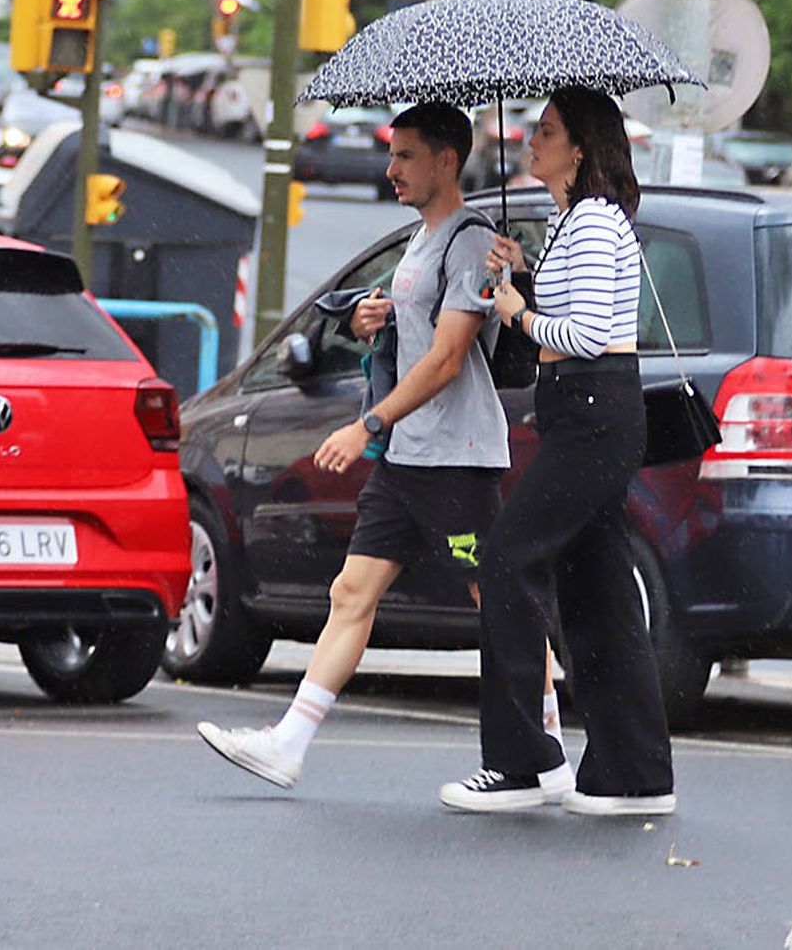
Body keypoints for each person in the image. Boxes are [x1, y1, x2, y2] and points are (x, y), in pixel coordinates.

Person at [196, 102, 565, 791]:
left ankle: (549, 756)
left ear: (446, 161)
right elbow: (427, 328)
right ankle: (289, 742)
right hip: (407, 458)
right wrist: (381, 314)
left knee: (502, 600)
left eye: (406, 156)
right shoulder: (423, 240)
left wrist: (366, 424)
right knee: (351, 590)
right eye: (392, 154)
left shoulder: (472, 241)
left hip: (457, 457)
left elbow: (452, 356)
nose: (390, 168)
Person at [440, 85, 675, 816]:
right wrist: (522, 277)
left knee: (507, 555)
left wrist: (518, 310)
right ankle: (633, 774)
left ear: (580, 147)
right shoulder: (572, 219)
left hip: (597, 412)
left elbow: (590, 333)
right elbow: (565, 317)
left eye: (545, 131)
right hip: (583, 410)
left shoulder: (598, 221)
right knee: (596, 592)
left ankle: (523, 763)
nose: (529, 142)